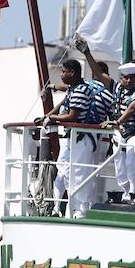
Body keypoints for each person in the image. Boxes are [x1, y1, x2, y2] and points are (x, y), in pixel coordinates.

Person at [41, 58, 106, 219]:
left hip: (82, 138)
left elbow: (73, 115)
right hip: (72, 137)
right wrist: (48, 115)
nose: (61, 74)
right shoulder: (73, 88)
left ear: (72, 73)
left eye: (63, 71)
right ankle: (56, 206)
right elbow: (64, 95)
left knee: (79, 174)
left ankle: (80, 210)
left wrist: (53, 118)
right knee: (63, 170)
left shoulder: (81, 90)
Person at [104, 61, 135, 202]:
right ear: (121, 78)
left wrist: (117, 122)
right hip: (119, 133)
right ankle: (125, 193)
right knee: (119, 164)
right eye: (126, 77)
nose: (129, 80)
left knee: (132, 162)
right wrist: (87, 53)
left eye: (132, 77)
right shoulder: (117, 88)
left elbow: (132, 107)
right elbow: (100, 75)